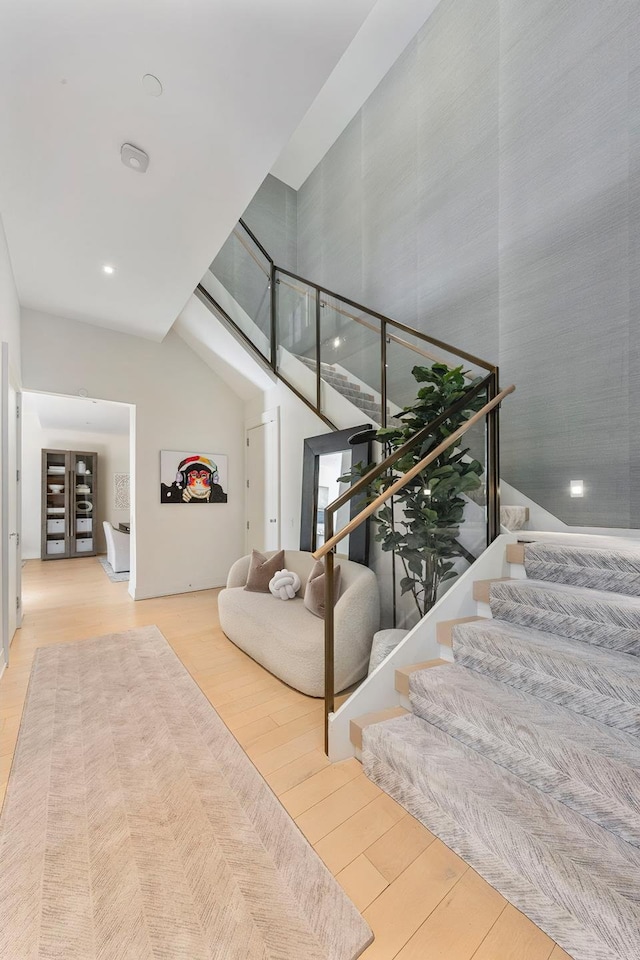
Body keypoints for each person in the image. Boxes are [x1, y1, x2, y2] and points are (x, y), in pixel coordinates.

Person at [160, 455, 227, 503]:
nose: (198, 481)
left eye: (203, 475)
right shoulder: (174, 492)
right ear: (184, 478)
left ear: (212, 478)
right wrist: (178, 495)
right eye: (193, 475)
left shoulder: (219, 495)